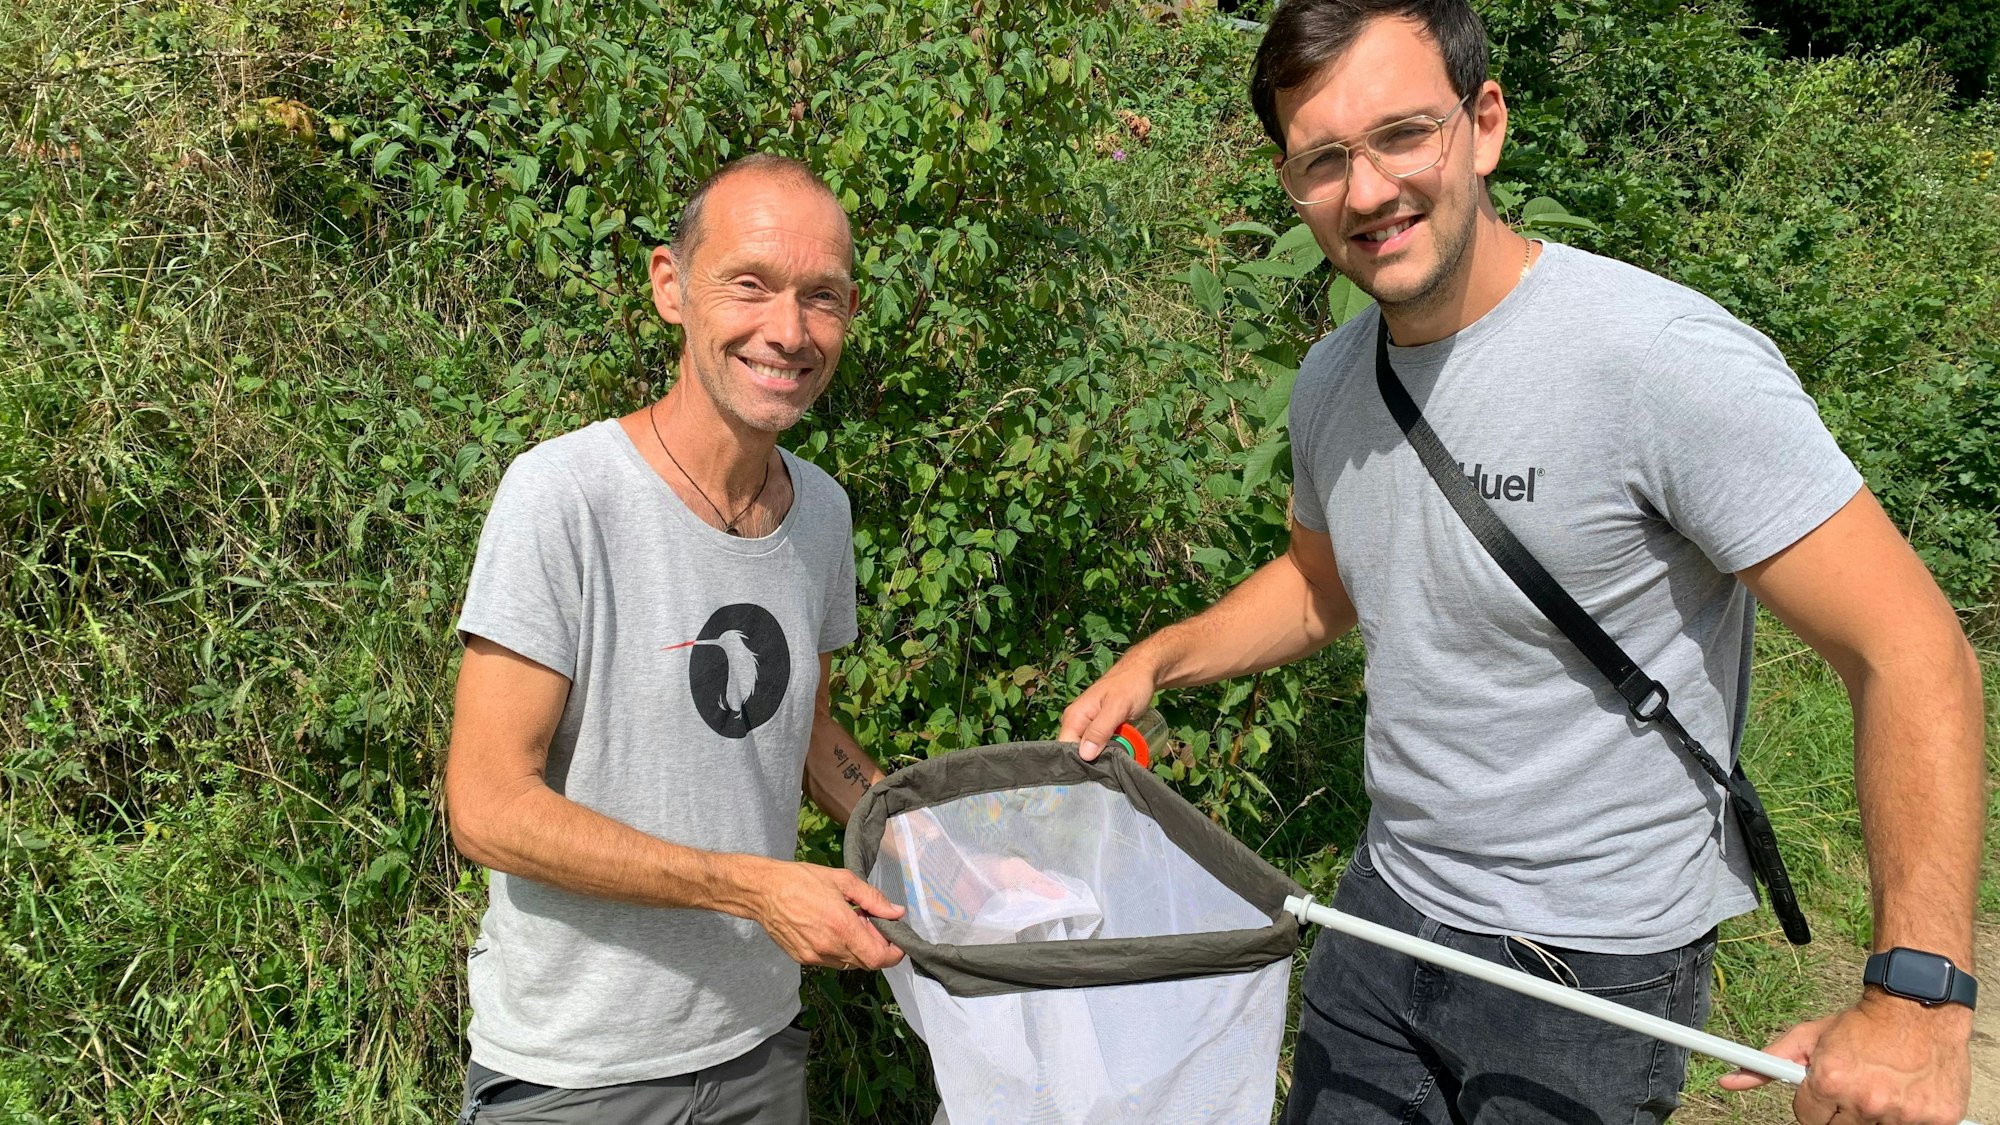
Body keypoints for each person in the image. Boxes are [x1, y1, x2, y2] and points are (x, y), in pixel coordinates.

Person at [1060, 2, 1985, 1123]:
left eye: (1403, 135)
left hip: (1591, 972)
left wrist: (1915, 1001)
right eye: (1321, 161)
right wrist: (1162, 658)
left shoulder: (1657, 361)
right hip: (1382, 914)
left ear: (1483, 122)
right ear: (1289, 183)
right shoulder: (1332, 382)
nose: (1365, 191)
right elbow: (1323, 579)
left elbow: (1908, 651)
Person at [444, 153, 903, 1123]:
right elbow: (484, 805)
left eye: (820, 297)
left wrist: (932, 845)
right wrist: (751, 890)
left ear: (849, 315)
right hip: (574, 1074)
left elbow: (806, 729)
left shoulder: (819, 512)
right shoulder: (564, 496)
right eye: (751, 285)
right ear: (670, 286)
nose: (787, 330)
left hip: (758, 1047)